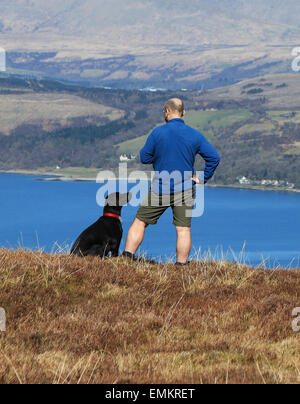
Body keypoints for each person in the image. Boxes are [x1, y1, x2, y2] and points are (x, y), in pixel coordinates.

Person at [122, 98, 220, 265]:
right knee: (183, 229)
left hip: (161, 186)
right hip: (186, 187)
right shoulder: (195, 135)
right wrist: (202, 178)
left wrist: (160, 156)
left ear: (167, 112)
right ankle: (181, 266)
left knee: (140, 222)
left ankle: (126, 258)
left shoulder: (157, 133)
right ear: (183, 113)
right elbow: (214, 158)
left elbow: (144, 157)